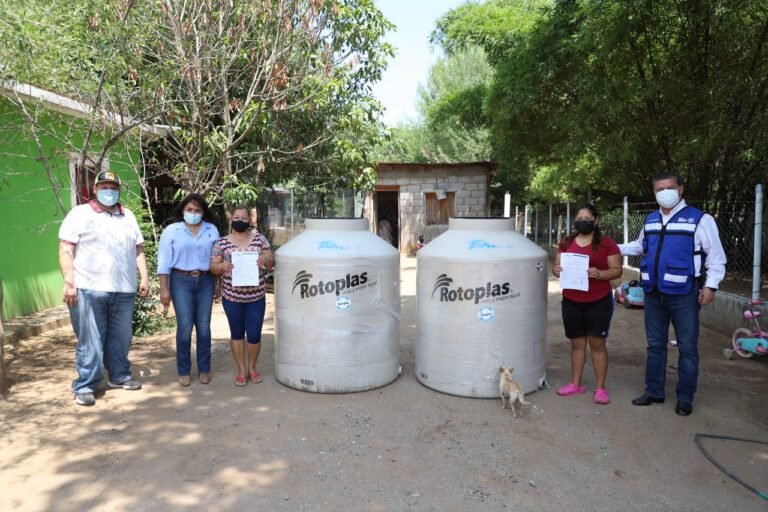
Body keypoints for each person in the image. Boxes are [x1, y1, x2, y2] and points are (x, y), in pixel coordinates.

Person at [620, 174, 726, 416]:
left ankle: (685, 397)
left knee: (688, 347)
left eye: (670, 187)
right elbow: (639, 246)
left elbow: (716, 257)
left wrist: (710, 286)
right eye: (660, 189)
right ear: (654, 192)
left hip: (684, 294)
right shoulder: (651, 219)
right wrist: (610, 247)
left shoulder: (700, 219)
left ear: (680, 189)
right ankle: (654, 391)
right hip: (653, 292)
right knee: (655, 345)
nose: (665, 192)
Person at [58, 170, 149, 406]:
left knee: (121, 337)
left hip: (124, 289)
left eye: (113, 187)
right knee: (91, 341)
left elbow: (138, 249)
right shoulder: (79, 214)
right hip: (89, 289)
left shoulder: (127, 215)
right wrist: (69, 282)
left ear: (118, 190)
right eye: (104, 186)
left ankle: (119, 376)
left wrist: (145, 278)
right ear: (95, 189)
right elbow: (65, 249)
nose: (109, 191)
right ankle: (86, 385)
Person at [552, 203, 622, 405]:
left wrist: (599, 274)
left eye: (587, 219)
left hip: (598, 301)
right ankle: (576, 384)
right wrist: (556, 271)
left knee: (597, 345)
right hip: (572, 301)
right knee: (576, 344)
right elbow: (557, 266)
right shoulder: (566, 242)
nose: (583, 222)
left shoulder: (607, 244)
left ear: (596, 221)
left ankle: (600, 388)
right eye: (579, 219)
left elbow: (616, 270)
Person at [158, 193, 219, 387]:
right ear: (183, 210)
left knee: (203, 326)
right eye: (189, 210)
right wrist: (164, 288)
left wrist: (218, 283)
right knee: (184, 326)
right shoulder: (172, 230)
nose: (193, 213)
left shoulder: (211, 230)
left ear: (203, 212)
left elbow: (217, 259)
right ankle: (183, 369)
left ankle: (204, 369)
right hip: (180, 280)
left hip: (206, 281)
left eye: (197, 210)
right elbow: (164, 261)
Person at [210, 206, 274, 387]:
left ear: (250, 221)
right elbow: (213, 266)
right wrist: (222, 267)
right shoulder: (221, 242)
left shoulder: (260, 239)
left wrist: (265, 259)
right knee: (237, 333)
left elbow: (271, 262)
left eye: (244, 218)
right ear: (232, 220)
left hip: (256, 297)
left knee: (254, 335)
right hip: (232, 297)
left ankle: (252, 367)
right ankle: (241, 370)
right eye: (236, 217)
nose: (240, 220)